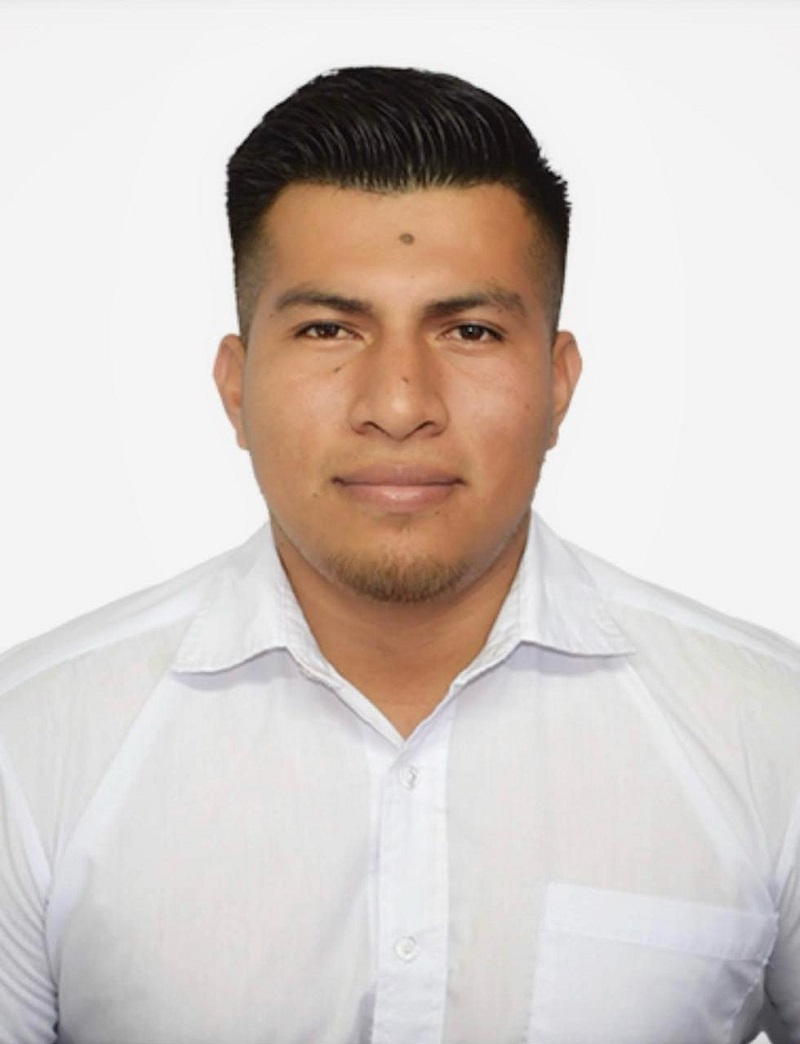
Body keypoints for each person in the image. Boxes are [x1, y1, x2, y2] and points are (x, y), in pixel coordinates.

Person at [0, 65, 797, 1044]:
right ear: (236, 386)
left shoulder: (770, 737)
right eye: (328, 328)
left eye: (468, 330)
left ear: (557, 384)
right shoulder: (29, 750)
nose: (398, 403)